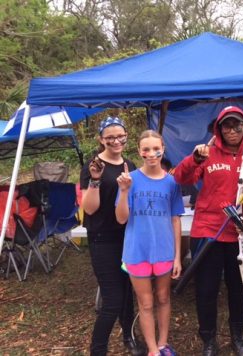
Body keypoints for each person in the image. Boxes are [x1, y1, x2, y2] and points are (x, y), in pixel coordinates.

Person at [173, 106, 243, 356]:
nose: (232, 130)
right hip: (208, 232)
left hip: (239, 233)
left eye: (237, 126)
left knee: (239, 286)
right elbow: (181, 178)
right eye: (227, 126)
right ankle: (209, 340)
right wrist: (195, 159)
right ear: (219, 129)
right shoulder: (207, 153)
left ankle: (238, 337)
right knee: (207, 289)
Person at [80, 116, 145, 356]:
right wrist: (96, 180)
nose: (116, 141)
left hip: (128, 237)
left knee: (128, 292)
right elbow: (89, 208)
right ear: (101, 139)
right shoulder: (93, 166)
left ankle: (129, 336)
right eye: (110, 137)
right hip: (102, 238)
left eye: (120, 136)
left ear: (126, 136)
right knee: (113, 298)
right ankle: (97, 349)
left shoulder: (130, 164)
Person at [115, 130, 184, 356]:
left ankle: (163, 344)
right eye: (146, 149)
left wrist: (177, 257)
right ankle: (153, 350)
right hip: (137, 251)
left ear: (163, 149)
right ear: (139, 151)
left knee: (163, 298)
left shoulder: (172, 182)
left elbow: (175, 220)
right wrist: (124, 191)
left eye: (156, 149)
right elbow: (121, 218)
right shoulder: (130, 180)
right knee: (145, 304)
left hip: (164, 250)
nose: (151, 154)